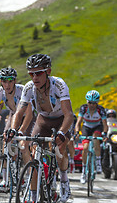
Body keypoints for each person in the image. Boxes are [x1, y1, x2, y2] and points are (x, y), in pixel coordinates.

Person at [9, 54, 74, 203]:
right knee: (33, 154)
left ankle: (63, 179)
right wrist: (13, 129)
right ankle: (33, 197)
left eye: (38, 73)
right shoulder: (29, 87)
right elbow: (19, 112)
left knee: (59, 149)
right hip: (43, 120)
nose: (34, 77)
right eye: (31, 74)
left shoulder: (59, 85)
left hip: (60, 120)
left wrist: (61, 133)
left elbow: (69, 115)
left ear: (48, 71)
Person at [75, 90, 108, 184]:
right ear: (87, 102)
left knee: (96, 137)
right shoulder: (83, 108)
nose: (92, 105)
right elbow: (78, 123)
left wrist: (105, 134)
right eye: (90, 102)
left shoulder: (101, 110)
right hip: (86, 127)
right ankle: (83, 171)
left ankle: (98, 163)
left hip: (97, 126)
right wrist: (77, 132)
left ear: (97, 103)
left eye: (94, 103)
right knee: (85, 148)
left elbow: (105, 125)